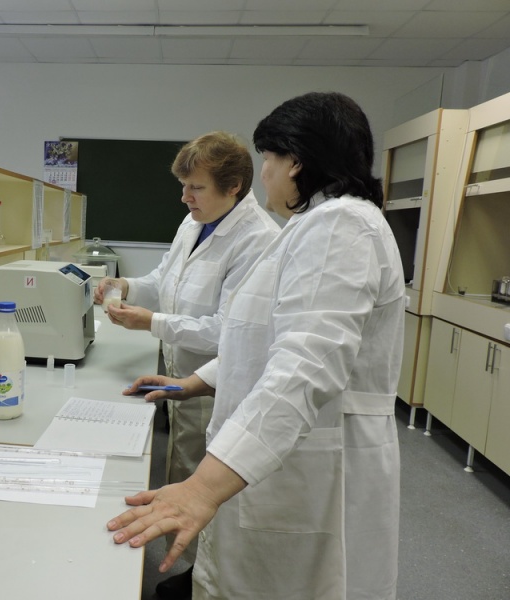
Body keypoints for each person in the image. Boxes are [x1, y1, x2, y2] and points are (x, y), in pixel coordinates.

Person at [107, 91, 405, 600]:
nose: (264, 173)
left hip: (310, 457)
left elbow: (306, 366)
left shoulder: (339, 227)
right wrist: (195, 382)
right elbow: (261, 338)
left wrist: (203, 487)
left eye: (269, 158)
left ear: (297, 162)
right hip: (282, 447)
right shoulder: (312, 227)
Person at [94, 131, 279, 598]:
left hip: (218, 386)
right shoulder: (195, 221)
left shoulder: (259, 240)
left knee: (209, 489)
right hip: (182, 377)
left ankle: (206, 578)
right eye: (183, 186)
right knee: (183, 472)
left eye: (195, 187)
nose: (184, 197)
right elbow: (166, 279)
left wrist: (152, 322)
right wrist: (128, 287)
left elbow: (230, 332)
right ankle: (192, 570)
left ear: (233, 186)